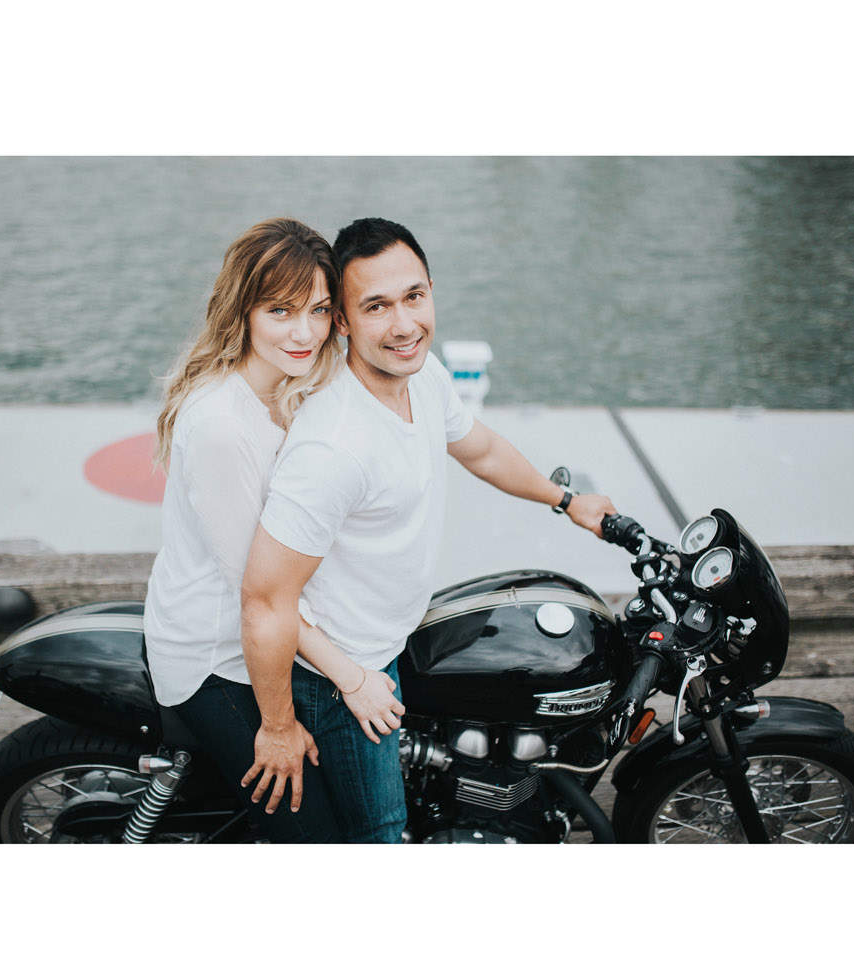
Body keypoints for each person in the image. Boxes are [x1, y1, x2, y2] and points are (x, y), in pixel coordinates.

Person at [240, 217, 618, 842]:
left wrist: (566, 499)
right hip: (343, 673)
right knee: (384, 836)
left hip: (396, 631)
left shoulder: (423, 373)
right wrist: (281, 723)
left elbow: (481, 448)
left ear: (431, 290)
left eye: (414, 297)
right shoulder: (333, 447)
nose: (404, 325)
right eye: (377, 306)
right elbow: (265, 599)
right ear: (342, 321)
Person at [144, 218, 404, 842]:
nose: (305, 332)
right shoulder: (222, 425)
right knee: (316, 838)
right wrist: (347, 680)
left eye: (319, 310)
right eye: (281, 310)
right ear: (244, 310)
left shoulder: (287, 383)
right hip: (220, 652)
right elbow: (256, 591)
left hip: (271, 627)